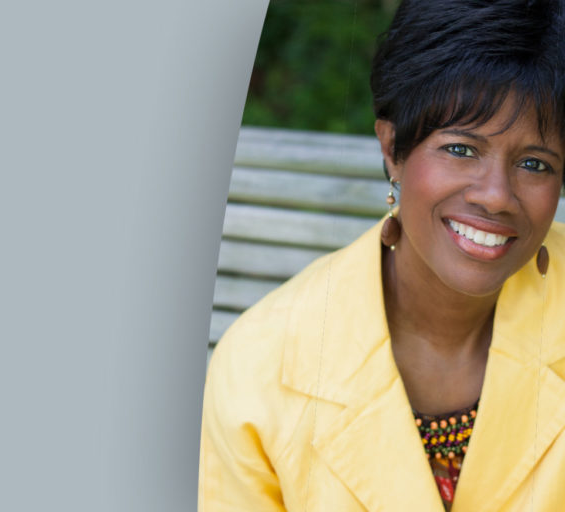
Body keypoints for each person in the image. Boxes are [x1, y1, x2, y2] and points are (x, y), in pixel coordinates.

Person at [198, 1, 565, 510]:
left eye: (535, 163)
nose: (497, 196)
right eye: (461, 149)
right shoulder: (258, 368)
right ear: (392, 148)